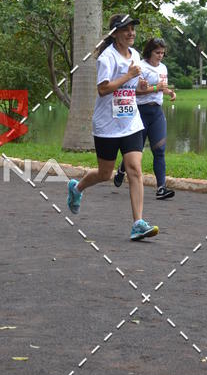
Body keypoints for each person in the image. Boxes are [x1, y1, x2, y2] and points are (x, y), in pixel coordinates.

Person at [66, 13, 159, 241]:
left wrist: (142, 85)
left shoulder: (135, 55)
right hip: (107, 125)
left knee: (135, 169)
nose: (131, 33)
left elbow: (133, 88)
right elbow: (103, 89)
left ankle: (138, 223)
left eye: (133, 29)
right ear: (115, 34)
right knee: (105, 173)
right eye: (126, 30)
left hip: (131, 123)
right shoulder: (107, 58)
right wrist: (128, 75)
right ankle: (77, 189)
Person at [114, 37, 176, 199]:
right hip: (140, 112)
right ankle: (121, 169)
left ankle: (161, 188)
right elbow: (135, 91)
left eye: (163, 53)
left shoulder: (163, 68)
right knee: (136, 151)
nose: (160, 56)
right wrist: (156, 88)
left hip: (157, 113)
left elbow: (162, 87)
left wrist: (169, 92)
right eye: (157, 52)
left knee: (160, 150)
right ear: (150, 52)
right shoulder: (140, 67)